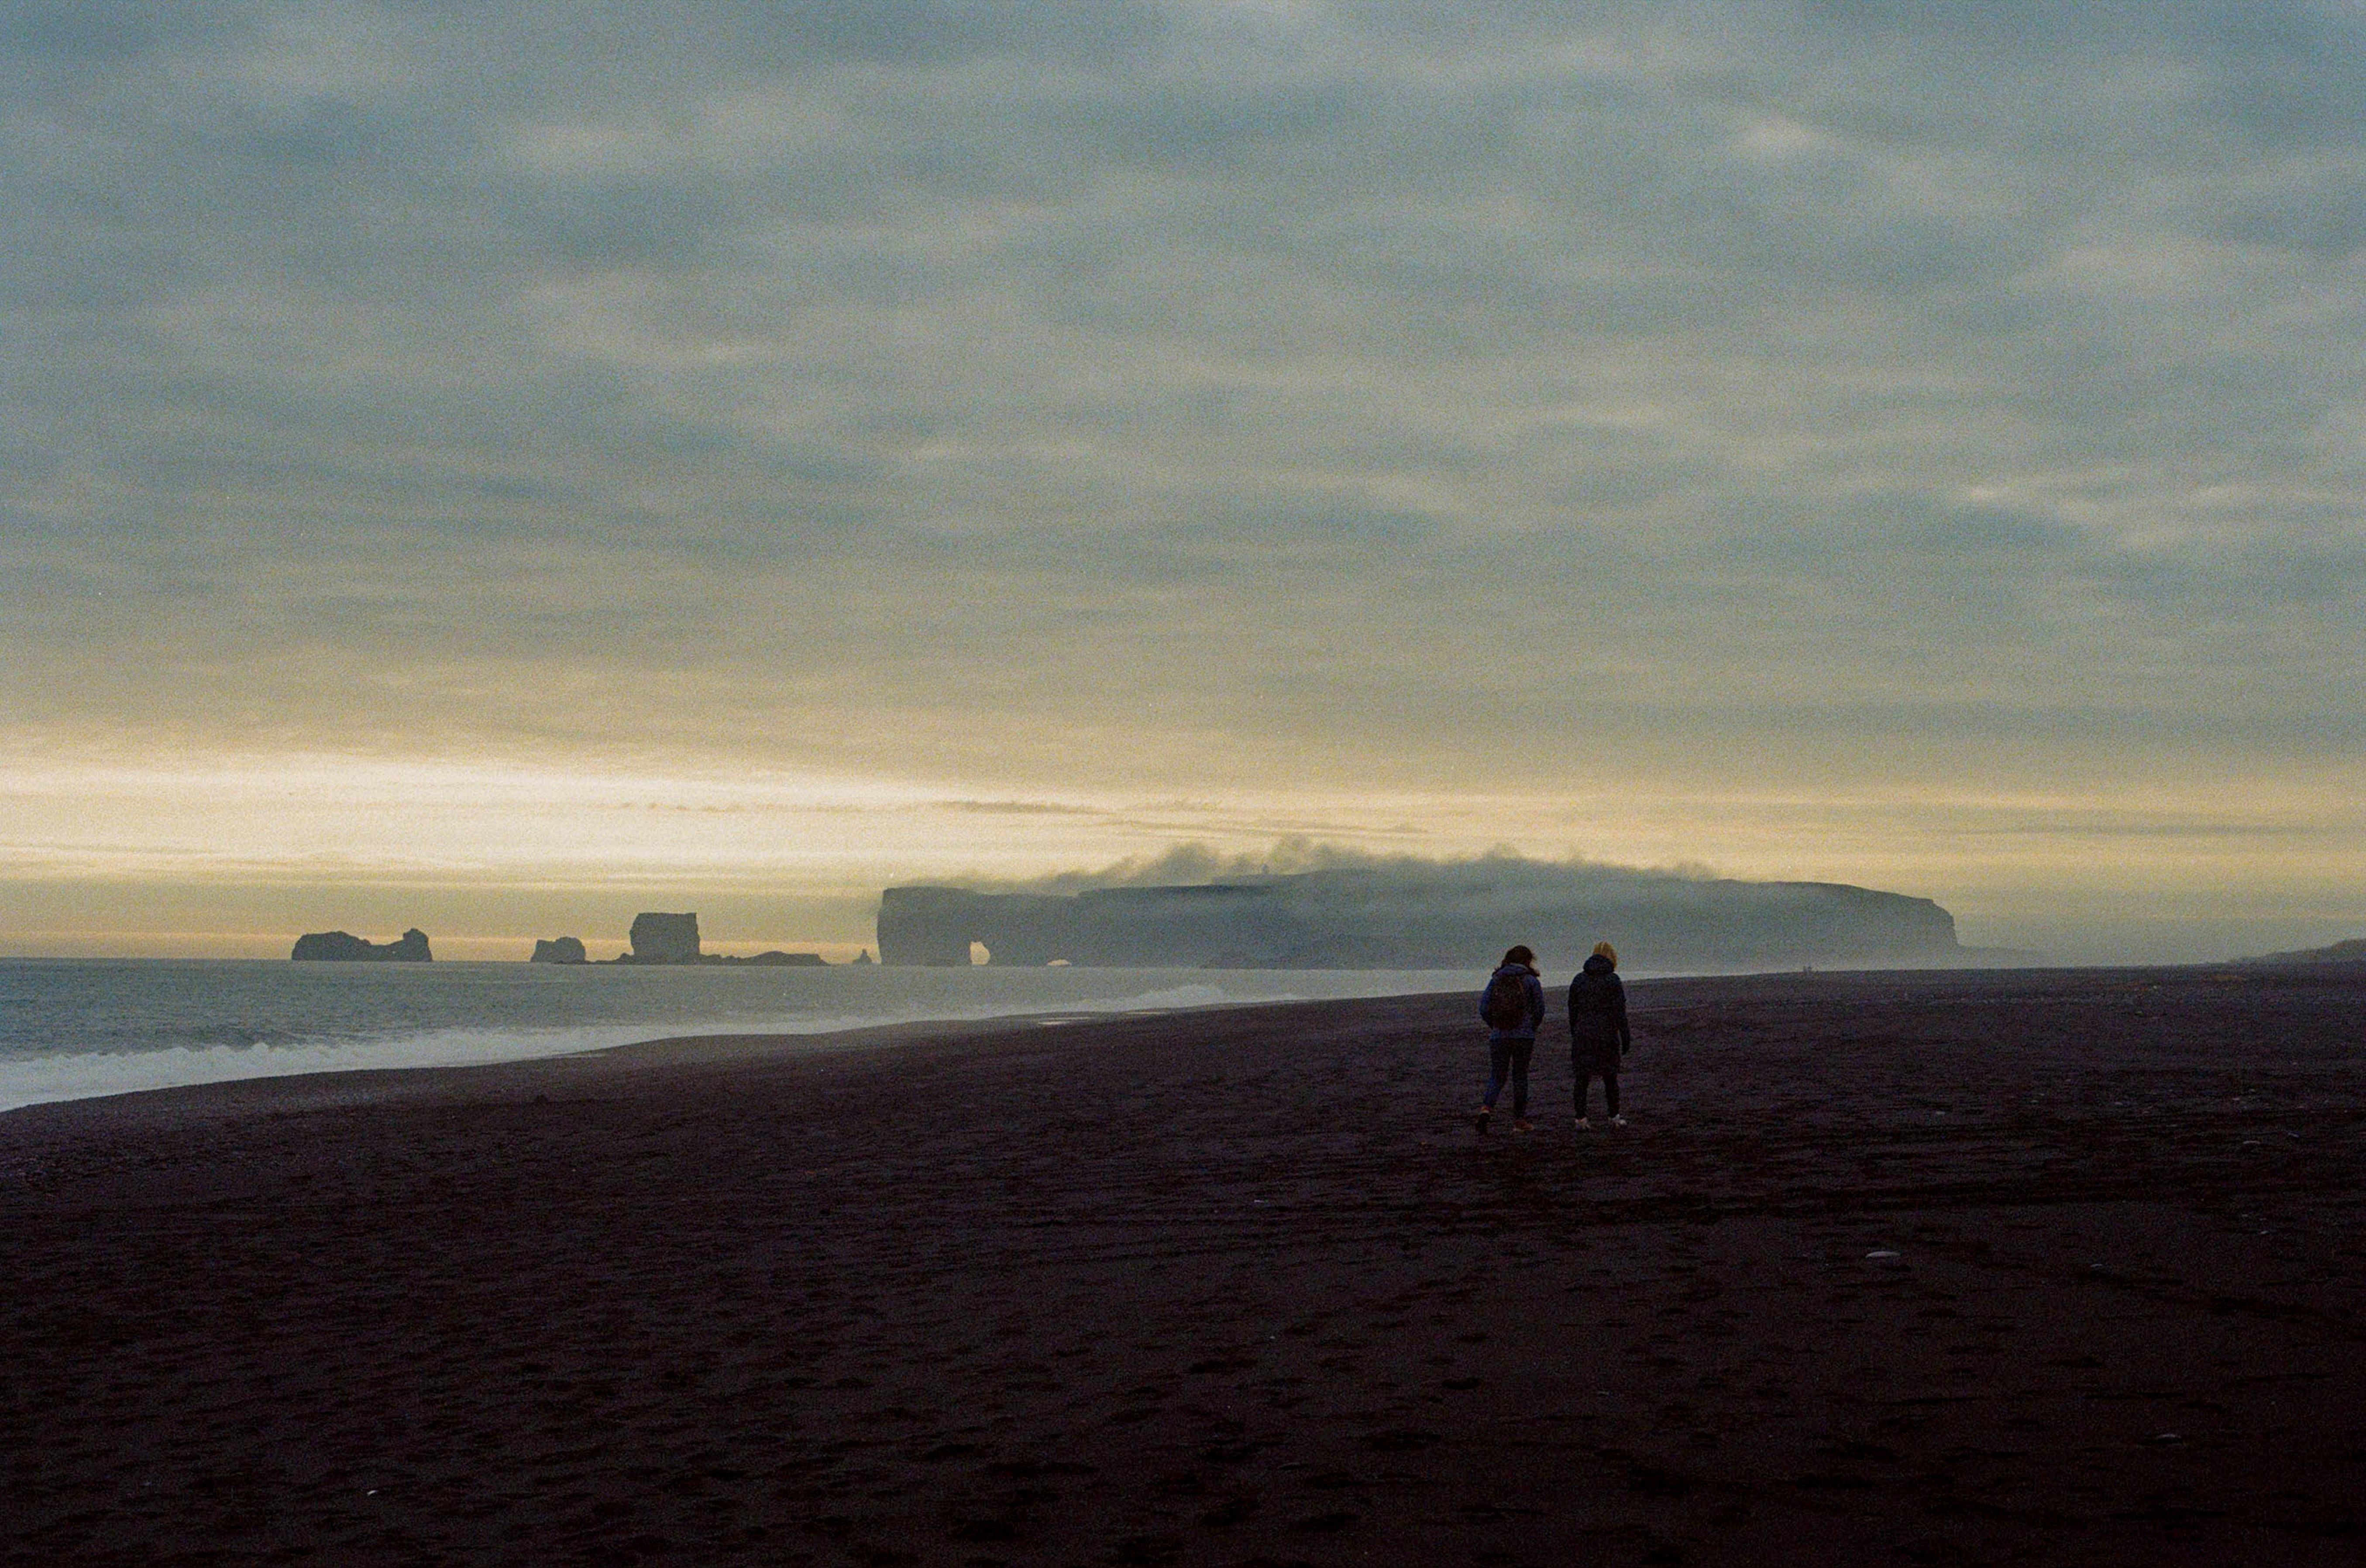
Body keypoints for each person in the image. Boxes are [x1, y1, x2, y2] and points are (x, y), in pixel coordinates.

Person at [1476, 944, 1546, 1134]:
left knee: (1497, 1076)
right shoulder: (1531, 981)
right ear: (1528, 960)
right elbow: (1540, 1010)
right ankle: (1519, 1121)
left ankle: (1486, 1110)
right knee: (1520, 1077)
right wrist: (1531, 1027)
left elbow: (1483, 1008)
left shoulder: (1497, 979)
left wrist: (1496, 1026)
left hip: (1499, 1035)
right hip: (1523, 1036)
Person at [1568, 940, 1632, 1128]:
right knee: (1610, 1077)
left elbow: (1573, 1009)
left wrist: (1576, 1030)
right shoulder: (1613, 980)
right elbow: (1620, 1011)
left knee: (1582, 1078)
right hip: (1607, 1034)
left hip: (1584, 1033)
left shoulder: (1579, 979)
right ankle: (1614, 1116)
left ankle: (1581, 1118)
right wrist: (1625, 1035)